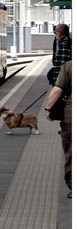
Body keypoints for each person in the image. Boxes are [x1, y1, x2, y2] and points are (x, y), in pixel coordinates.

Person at [44, 59, 71, 197]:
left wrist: (48, 109)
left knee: (71, 153)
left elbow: (57, 90)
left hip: (70, 118)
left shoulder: (69, 65)